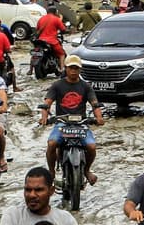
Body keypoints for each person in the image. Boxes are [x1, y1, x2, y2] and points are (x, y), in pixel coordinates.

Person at [40, 54, 104, 186]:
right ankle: (51, 172)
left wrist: (99, 117)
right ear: (66, 68)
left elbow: (95, 104)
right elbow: (47, 103)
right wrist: (44, 117)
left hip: (81, 125)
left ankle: (86, 170)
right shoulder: (57, 85)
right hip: (62, 124)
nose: (73, 71)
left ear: (80, 69)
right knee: (52, 144)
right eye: (71, 68)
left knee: (91, 146)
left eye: (76, 68)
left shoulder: (86, 86)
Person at [35, 5, 67, 72]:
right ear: (55, 12)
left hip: (40, 41)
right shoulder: (56, 19)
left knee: (36, 53)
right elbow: (63, 30)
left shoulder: (41, 19)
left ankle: (30, 69)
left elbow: (37, 30)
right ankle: (62, 69)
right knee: (62, 54)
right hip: (52, 41)